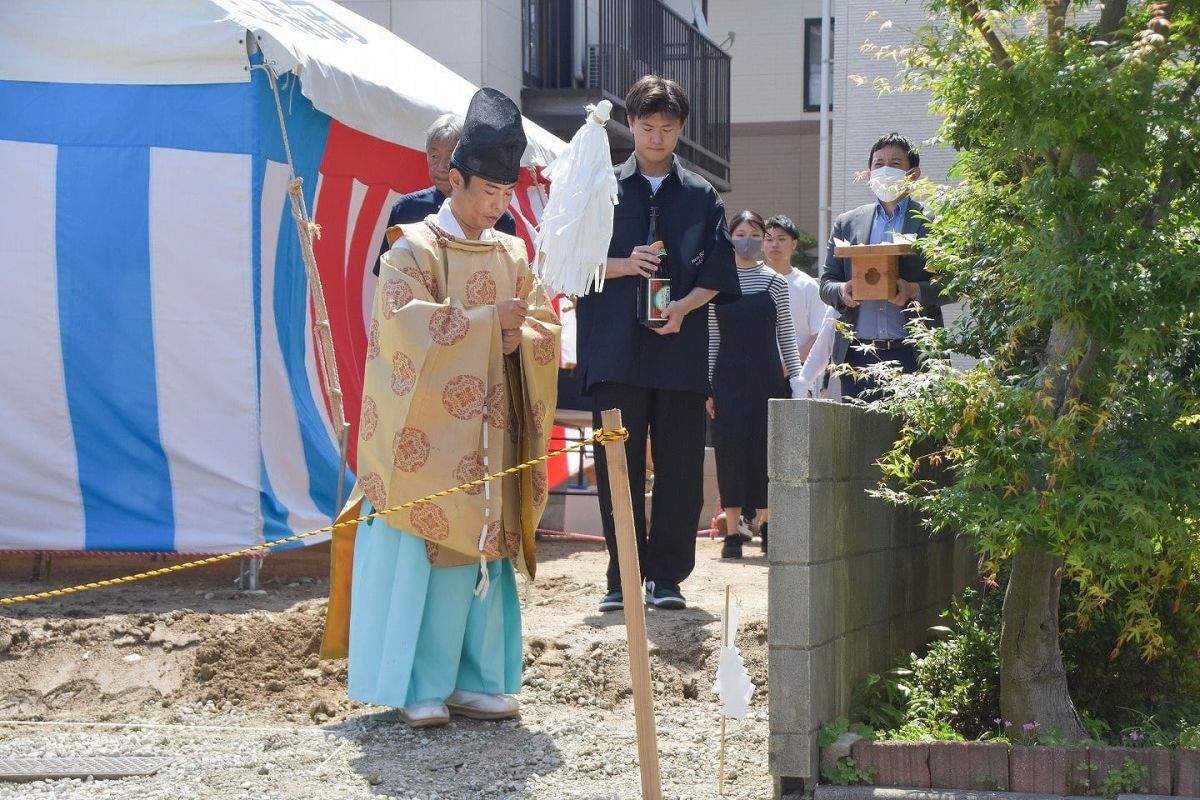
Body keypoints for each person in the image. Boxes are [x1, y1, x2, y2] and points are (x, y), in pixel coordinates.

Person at [322, 88, 560, 728]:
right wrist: (489, 323)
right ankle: (418, 684)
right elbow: (401, 327)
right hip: (426, 437)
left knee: (487, 547)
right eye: (488, 192)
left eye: (507, 194)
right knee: (427, 551)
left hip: (493, 428)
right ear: (453, 180)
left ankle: (476, 678)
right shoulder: (412, 249)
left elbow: (541, 326)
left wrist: (523, 334)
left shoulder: (513, 253)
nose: (500, 205)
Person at [575, 75, 740, 612]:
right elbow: (568, 262)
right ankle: (622, 575)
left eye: (668, 128)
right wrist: (624, 265)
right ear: (630, 124)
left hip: (678, 350)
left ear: (682, 130)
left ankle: (667, 577)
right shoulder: (599, 186)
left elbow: (718, 272)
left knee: (681, 466)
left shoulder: (700, 194)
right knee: (614, 466)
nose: (657, 137)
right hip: (614, 349)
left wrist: (684, 309)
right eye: (647, 126)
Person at [818, 132, 949, 401]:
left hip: (914, 355)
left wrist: (914, 290)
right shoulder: (847, 222)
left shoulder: (932, 222)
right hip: (856, 356)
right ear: (869, 173)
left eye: (895, 164)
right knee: (858, 440)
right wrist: (843, 291)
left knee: (913, 440)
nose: (885, 170)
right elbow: (826, 282)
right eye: (878, 164)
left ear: (913, 174)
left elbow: (953, 284)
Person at [706, 211, 803, 559]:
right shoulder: (716, 285)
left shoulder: (775, 283)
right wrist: (708, 386)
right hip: (727, 380)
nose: (746, 240)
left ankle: (768, 526)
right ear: (729, 237)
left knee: (767, 450)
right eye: (740, 233)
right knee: (730, 451)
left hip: (767, 379)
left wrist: (798, 379)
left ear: (764, 239)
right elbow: (712, 340)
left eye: (753, 234)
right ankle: (732, 533)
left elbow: (787, 337)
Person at [373, 113, 517, 276]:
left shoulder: (495, 216)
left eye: (449, 159)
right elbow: (387, 276)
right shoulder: (406, 209)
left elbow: (509, 278)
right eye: (435, 156)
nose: (441, 167)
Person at [763, 215, 826, 362]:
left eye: (781, 239)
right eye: (769, 239)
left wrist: (788, 367)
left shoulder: (807, 285)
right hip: (753, 372)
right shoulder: (749, 282)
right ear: (761, 244)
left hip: (796, 375)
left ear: (794, 244)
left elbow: (818, 335)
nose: (775, 244)